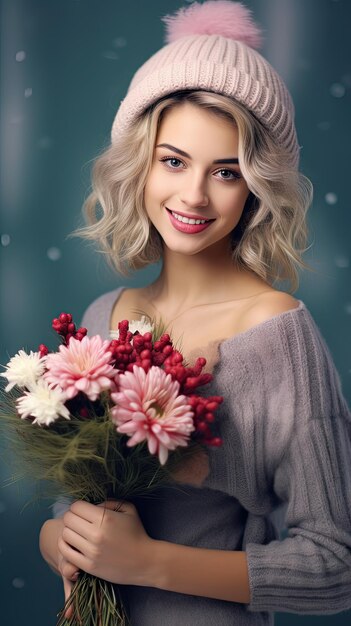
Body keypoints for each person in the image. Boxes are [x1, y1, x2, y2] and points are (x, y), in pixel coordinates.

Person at [39, 1, 351, 624]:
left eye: (226, 172)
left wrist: (146, 563)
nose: (194, 195)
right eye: (174, 160)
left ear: (257, 186)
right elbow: (77, 500)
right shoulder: (104, 316)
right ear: (141, 163)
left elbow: (335, 566)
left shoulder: (279, 336)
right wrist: (58, 542)